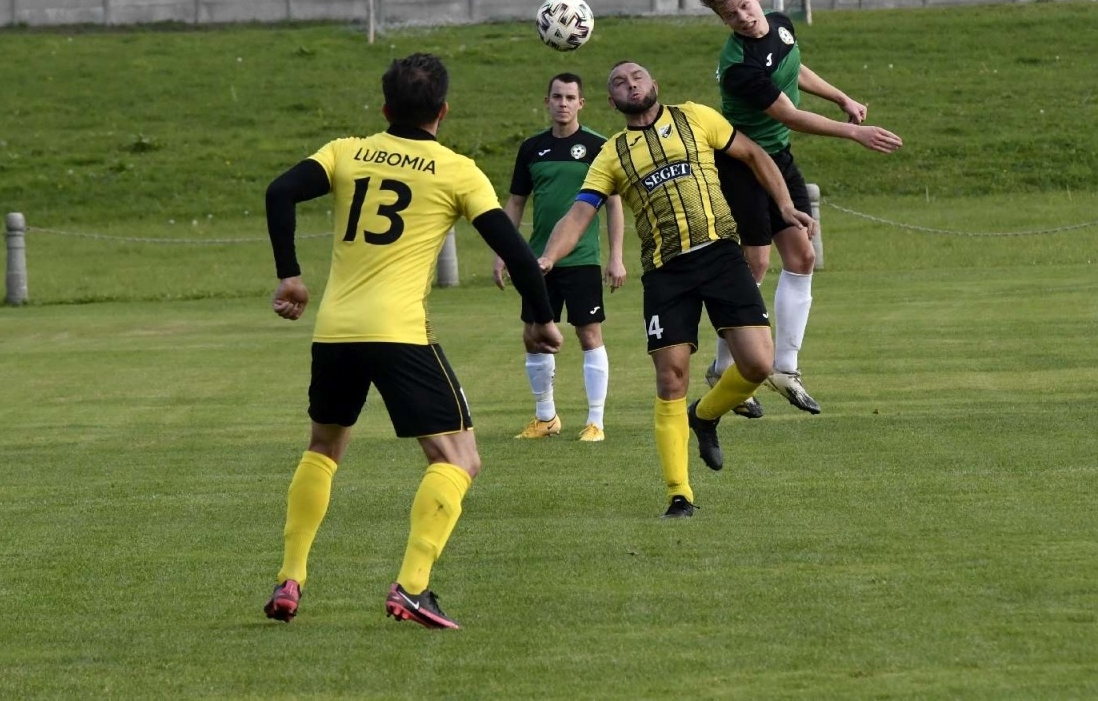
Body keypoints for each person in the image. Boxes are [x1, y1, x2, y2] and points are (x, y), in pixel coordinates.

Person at [261, 52, 563, 629]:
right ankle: (413, 587)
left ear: (384, 108)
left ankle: (290, 576)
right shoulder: (455, 169)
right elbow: (517, 252)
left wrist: (291, 275)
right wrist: (540, 317)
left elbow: (279, 192)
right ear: (442, 112)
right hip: (399, 333)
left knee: (324, 447)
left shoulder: (346, 152)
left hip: (336, 331)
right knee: (460, 458)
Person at [537, 60, 816, 518]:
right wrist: (549, 257)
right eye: (620, 83)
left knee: (759, 363)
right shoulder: (611, 154)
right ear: (612, 102)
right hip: (667, 273)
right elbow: (579, 214)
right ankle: (679, 494)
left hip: (722, 255)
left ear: (655, 84)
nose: (630, 84)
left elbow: (754, 155)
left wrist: (785, 206)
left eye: (637, 77)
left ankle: (704, 416)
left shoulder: (695, 116)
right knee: (671, 379)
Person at [697, 0, 903, 417]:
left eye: (745, 7)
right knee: (754, 264)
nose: (744, 19)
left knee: (803, 256)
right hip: (741, 164)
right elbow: (788, 114)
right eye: (731, 16)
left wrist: (841, 98)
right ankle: (723, 368)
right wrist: (853, 134)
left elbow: (795, 66)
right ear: (723, 21)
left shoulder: (782, 25)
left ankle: (785, 368)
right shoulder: (739, 69)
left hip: (778, 157)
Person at [494, 73, 627, 442]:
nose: (563, 103)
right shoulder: (532, 148)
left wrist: (616, 256)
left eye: (570, 97)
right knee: (534, 335)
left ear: (581, 103)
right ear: (547, 101)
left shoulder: (600, 146)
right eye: (557, 96)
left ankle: (595, 421)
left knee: (589, 334)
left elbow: (614, 205)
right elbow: (516, 202)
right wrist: (504, 251)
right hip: (537, 261)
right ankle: (546, 417)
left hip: (583, 259)